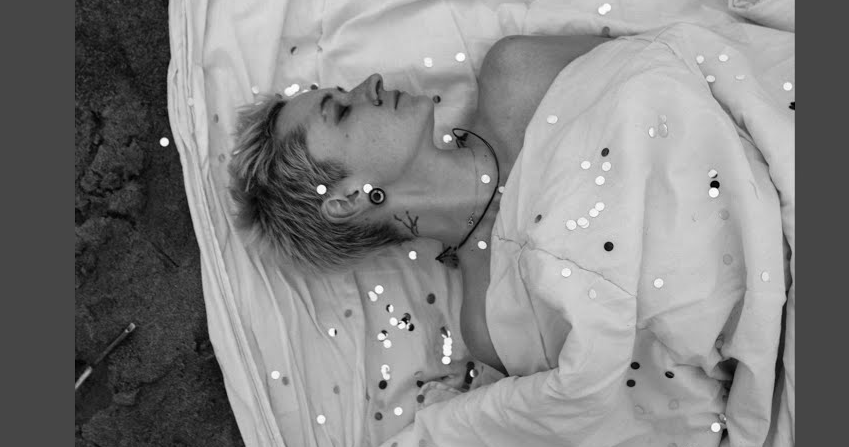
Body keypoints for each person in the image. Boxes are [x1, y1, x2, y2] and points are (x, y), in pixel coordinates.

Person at [227, 31, 615, 373]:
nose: (372, 82)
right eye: (343, 111)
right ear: (347, 199)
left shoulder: (518, 72)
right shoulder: (492, 322)